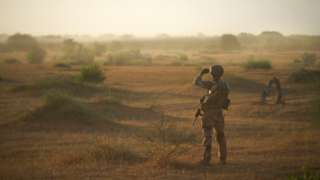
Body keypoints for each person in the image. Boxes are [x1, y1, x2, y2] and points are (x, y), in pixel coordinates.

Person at [194, 65, 230, 165]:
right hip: (219, 113)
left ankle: (206, 159)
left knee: (208, 135)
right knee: (221, 136)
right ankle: (223, 159)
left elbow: (197, 82)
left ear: (212, 74)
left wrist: (201, 73)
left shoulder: (213, 85)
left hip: (209, 113)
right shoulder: (224, 85)